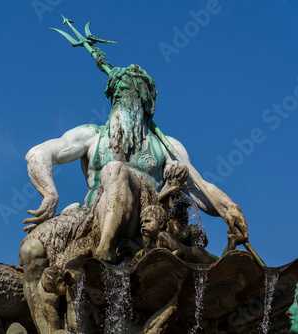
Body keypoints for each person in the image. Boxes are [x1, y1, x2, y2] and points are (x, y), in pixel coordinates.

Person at [20, 64, 249, 333]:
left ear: (144, 100)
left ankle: (102, 253)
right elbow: (38, 154)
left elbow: (202, 191)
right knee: (31, 250)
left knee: (114, 169)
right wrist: (50, 193)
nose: (118, 98)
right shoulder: (92, 135)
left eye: (125, 92)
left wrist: (230, 209)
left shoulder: (166, 146)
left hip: (144, 214)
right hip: (91, 213)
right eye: (114, 94)